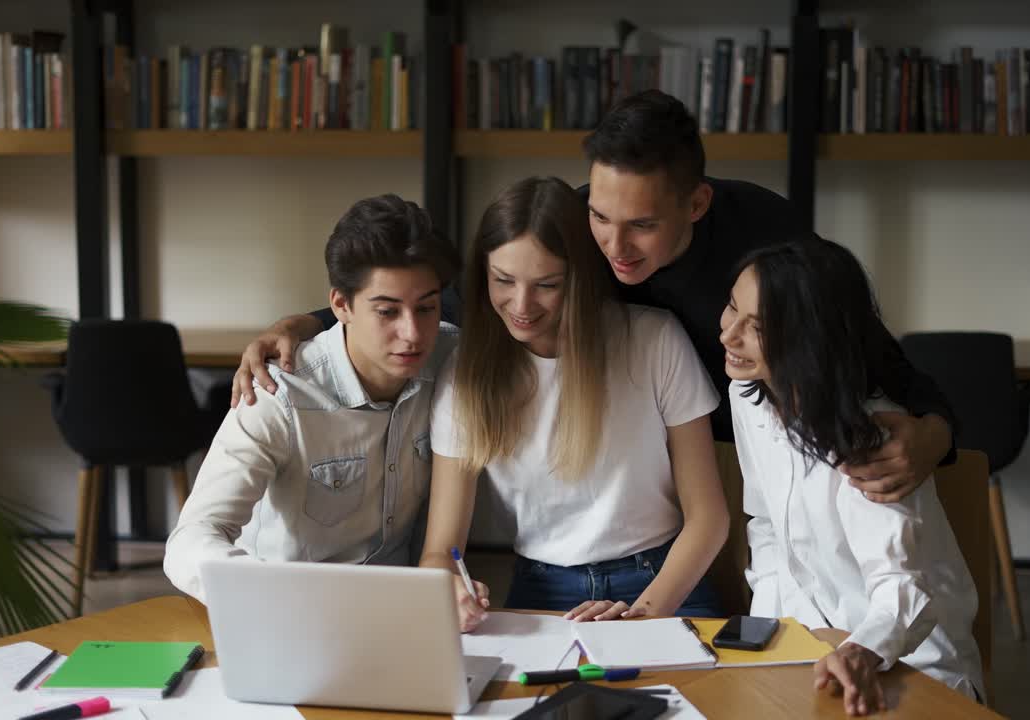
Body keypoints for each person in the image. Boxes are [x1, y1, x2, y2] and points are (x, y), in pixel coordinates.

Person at [230, 90, 958, 505]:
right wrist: (307, 322)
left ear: (697, 202)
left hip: (779, 460)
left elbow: (880, 356)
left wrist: (934, 433)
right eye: (601, 218)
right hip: (651, 478)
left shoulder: (768, 236)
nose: (614, 248)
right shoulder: (574, 233)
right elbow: (447, 299)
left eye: (642, 225)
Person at [417, 176, 729, 631]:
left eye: (547, 284)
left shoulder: (654, 340)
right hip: (542, 588)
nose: (521, 305)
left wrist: (641, 615)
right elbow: (441, 548)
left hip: (663, 583)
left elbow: (709, 517)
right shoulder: (465, 375)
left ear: (579, 279)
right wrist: (448, 584)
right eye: (503, 280)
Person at [720, 235, 984, 715]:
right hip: (820, 647)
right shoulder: (748, 393)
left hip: (913, 659)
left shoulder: (872, 435)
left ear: (809, 340)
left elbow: (902, 588)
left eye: (756, 327)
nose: (728, 335)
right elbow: (765, 528)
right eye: (731, 309)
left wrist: (860, 650)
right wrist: (782, 642)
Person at [163, 194, 460, 601]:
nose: (412, 333)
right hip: (289, 607)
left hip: (402, 607)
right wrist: (265, 592)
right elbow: (192, 538)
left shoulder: (451, 362)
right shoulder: (278, 391)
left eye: (426, 309)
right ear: (340, 304)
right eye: (387, 312)